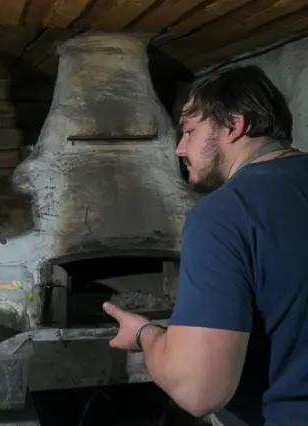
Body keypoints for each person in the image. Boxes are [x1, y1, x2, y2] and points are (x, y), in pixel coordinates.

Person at [103, 64, 308, 426]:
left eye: (189, 131)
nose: (180, 149)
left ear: (233, 125)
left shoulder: (225, 214)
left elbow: (198, 390)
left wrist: (144, 334)